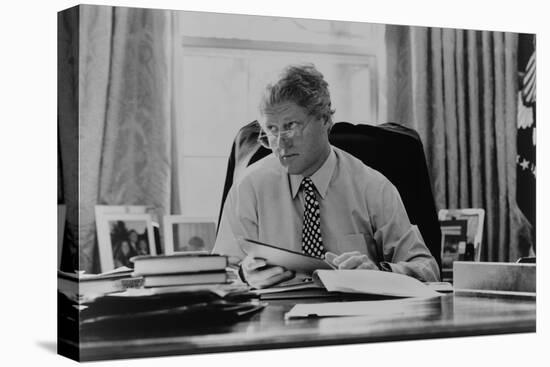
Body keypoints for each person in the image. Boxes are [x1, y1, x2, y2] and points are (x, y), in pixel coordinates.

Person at [213, 64, 440, 289]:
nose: (281, 144)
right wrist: (244, 275)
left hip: (354, 319)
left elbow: (427, 269)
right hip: (276, 319)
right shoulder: (249, 187)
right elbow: (221, 276)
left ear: (324, 119)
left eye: (291, 126)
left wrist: (379, 273)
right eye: (271, 129)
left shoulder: (372, 186)